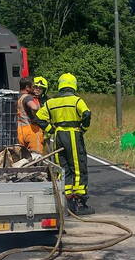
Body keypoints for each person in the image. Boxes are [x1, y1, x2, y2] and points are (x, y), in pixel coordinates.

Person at [36, 73, 93, 214]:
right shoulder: (77, 100)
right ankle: (80, 202)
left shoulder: (51, 102)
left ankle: (66, 200)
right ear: (73, 85)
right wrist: (83, 129)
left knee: (63, 168)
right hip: (73, 134)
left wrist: (51, 129)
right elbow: (86, 114)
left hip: (58, 136)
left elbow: (38, 118)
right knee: (78, 167)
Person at [16, 77, 45, 154]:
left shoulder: (17, 97)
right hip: (31, 130)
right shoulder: (27, 97)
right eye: (32, 87)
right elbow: (34, 107)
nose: (34, 89)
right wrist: (38, 106)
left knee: (23, 156)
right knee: (36, 156)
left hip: (19, 130)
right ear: (27, 87)